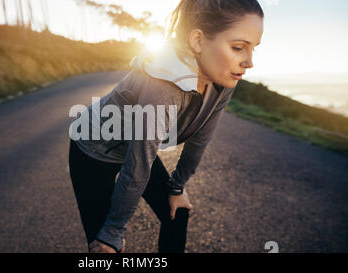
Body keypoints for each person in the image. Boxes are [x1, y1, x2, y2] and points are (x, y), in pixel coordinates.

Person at [68, 0, 264, 253]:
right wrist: (114, 231)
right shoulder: (163, 82)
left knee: (177, 210)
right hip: (92, 148)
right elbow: (138, 165)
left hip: (132, 145)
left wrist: (176, 187)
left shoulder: (224, 82)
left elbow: (200, 141)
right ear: (197, 41)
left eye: (253, 49)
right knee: (104, 247)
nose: (249, 62)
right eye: (238, 47)